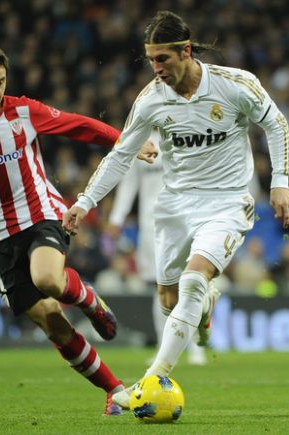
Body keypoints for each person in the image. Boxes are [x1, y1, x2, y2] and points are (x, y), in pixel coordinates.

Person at [63, 11, 289, 408]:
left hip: (227, 201)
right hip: (174, 205)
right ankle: (205, 306)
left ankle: (153, 378)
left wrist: (280, 182)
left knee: (192, 280)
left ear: (186, 51)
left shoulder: (234, 84)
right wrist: (85, 202)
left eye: (163, 59)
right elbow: (121, 155)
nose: (156, 69)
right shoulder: (151, 100)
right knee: (169, 301)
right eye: (151, 60)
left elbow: (276, 124)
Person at [0, 40, 144, 416]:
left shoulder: (23, 111)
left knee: (48, 278)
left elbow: (78, 126)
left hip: (40, 215)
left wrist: (125, 141)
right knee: (53, 325)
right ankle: (114, 390)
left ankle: (89, 301)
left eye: (0, 82)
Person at [107, 128, 207, 366]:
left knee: (188, 282)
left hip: (182, 220)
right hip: (150, 224)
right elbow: (129, 182)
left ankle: (195, 346)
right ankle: (164, 348)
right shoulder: (139, 139)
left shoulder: (184, 132)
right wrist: (116, 218)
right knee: (158, 285)